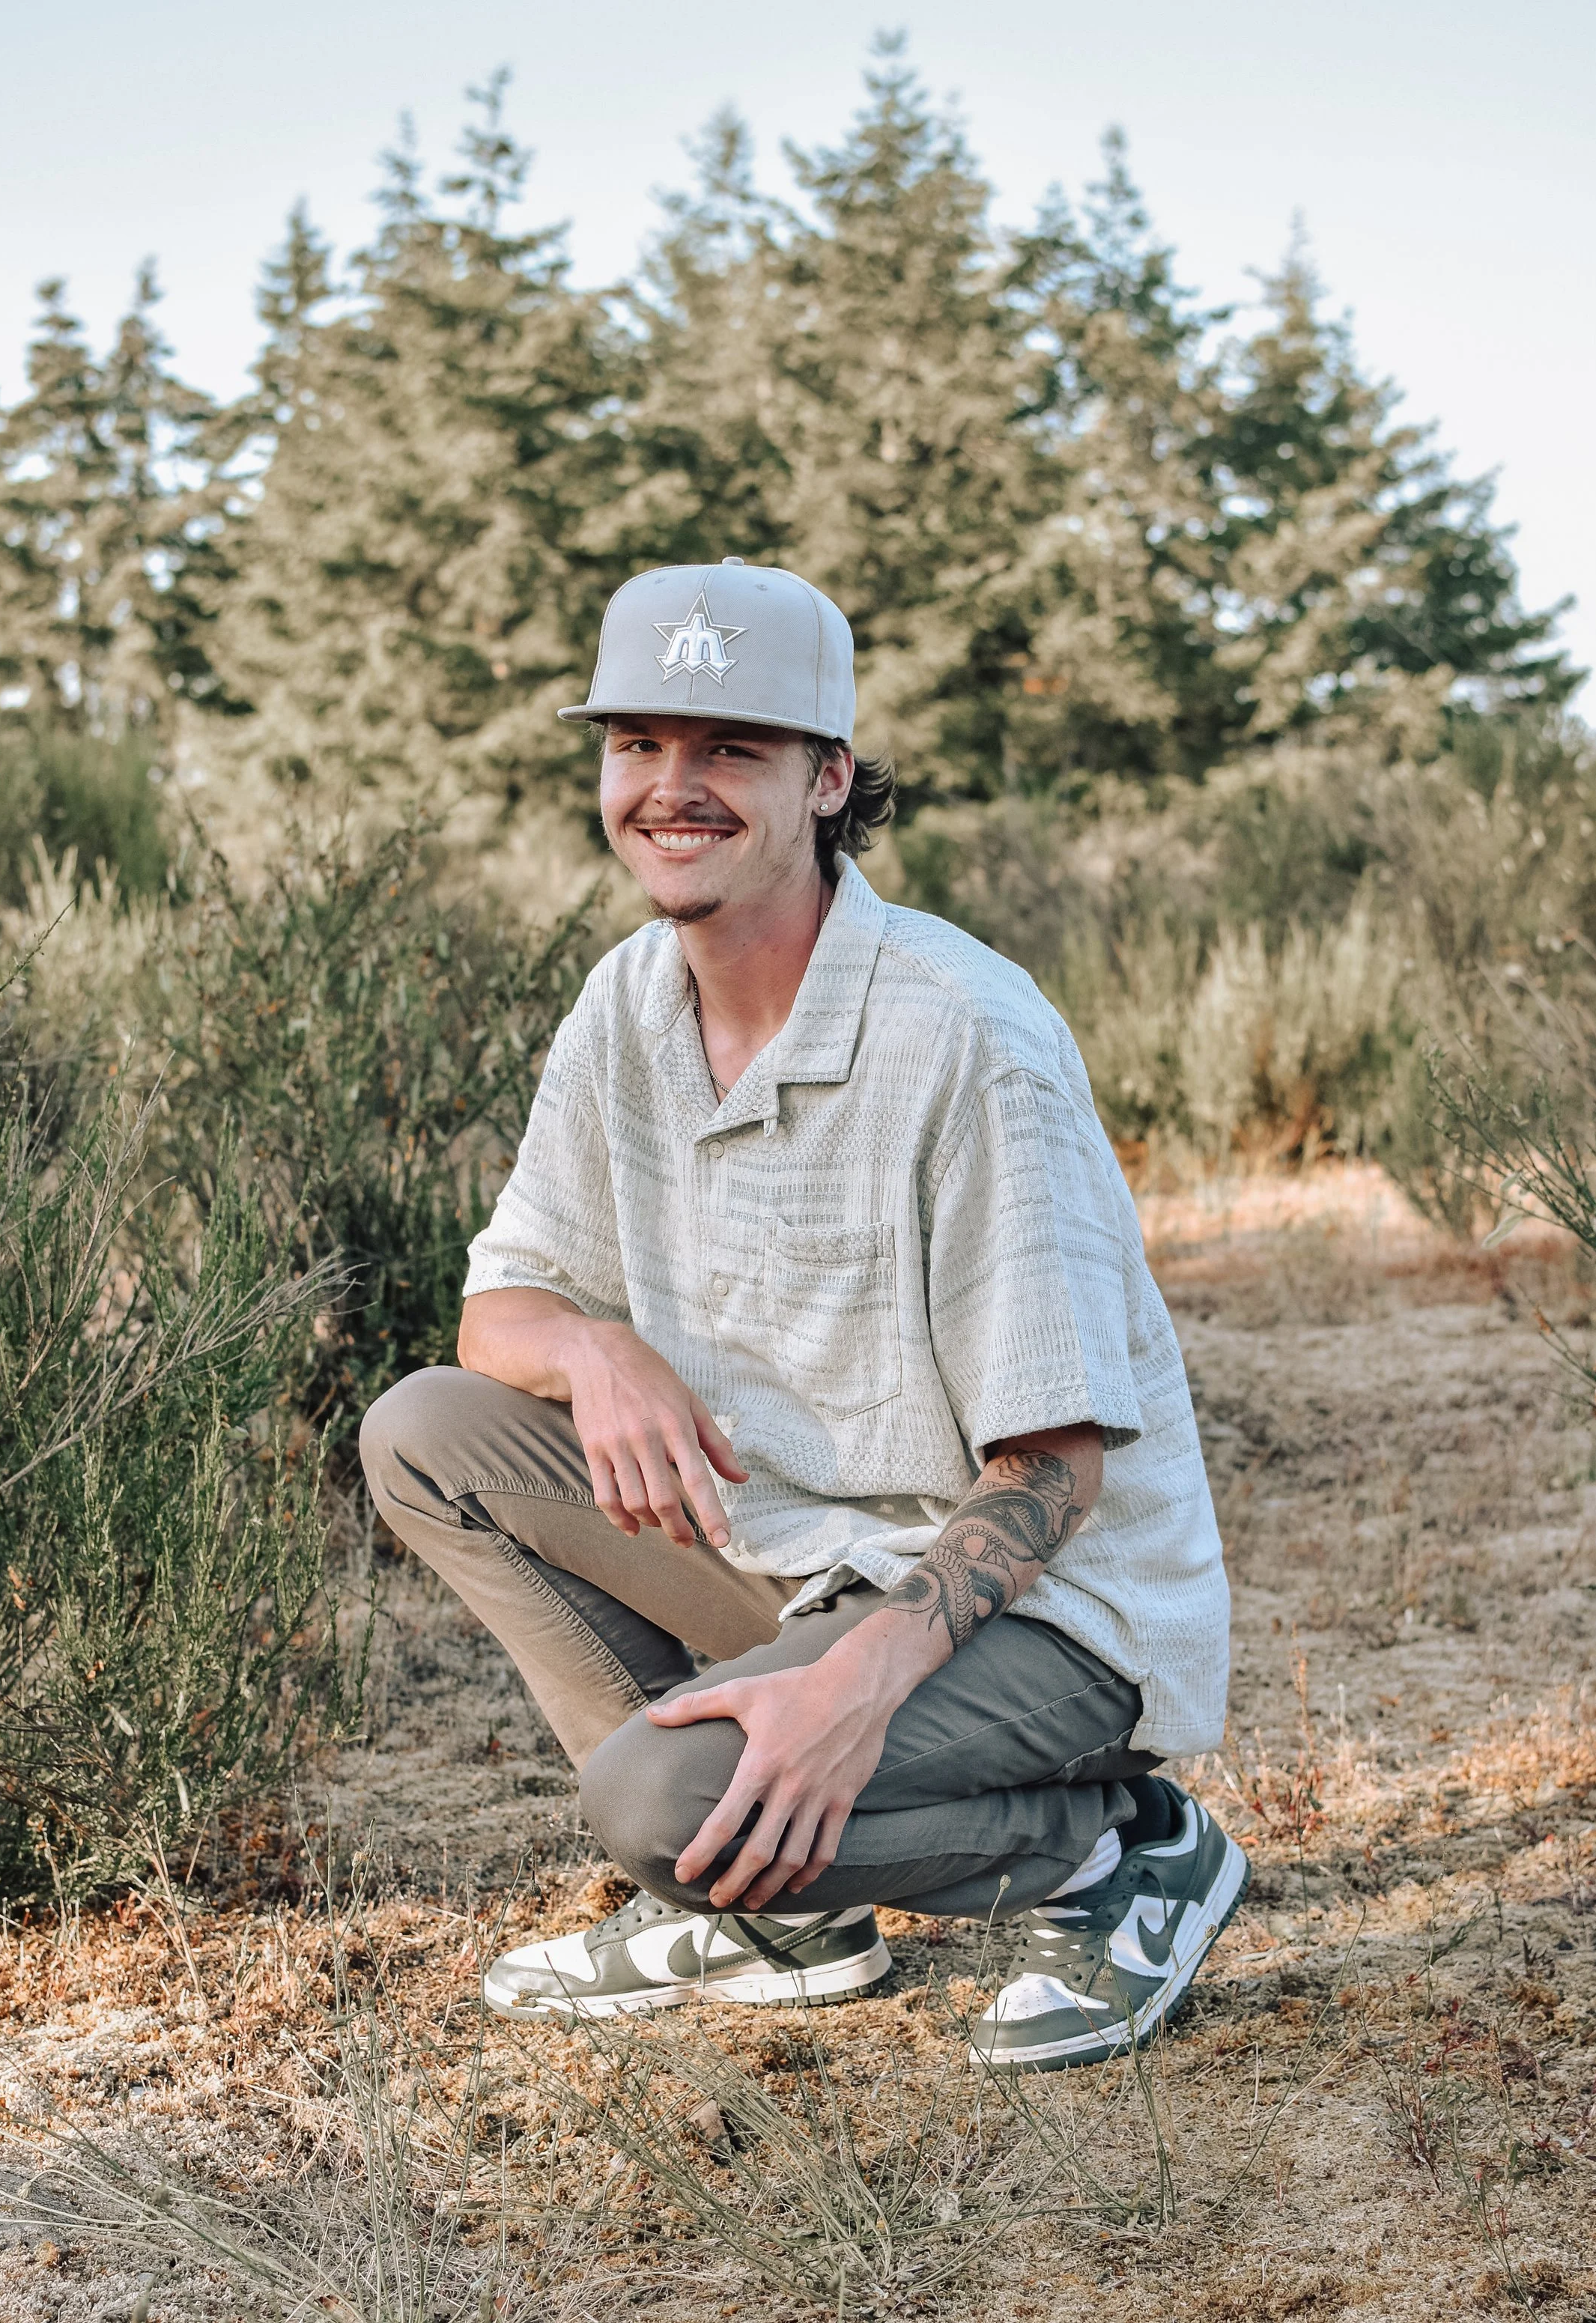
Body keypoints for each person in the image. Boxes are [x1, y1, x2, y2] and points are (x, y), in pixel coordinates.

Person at [358, 559, 1243, 2070]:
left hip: (1041, 1611)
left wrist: (851, 1685)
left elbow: (1051, 1479)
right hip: (795, 1552)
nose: (670, 788)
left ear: (828, 777)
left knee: (655, 1804)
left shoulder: (963, 1038)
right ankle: (780, 1913)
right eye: (637, 744)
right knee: (428, 1433)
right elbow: (496, 1312)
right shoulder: (628, 1003)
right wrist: (591, 1345)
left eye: (730, 750)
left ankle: (1113, 1856)